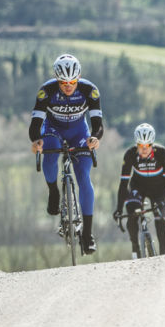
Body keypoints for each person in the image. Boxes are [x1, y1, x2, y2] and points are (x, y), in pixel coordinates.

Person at [29, 53, 103, 254]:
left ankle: (87, 234)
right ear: (57, 79)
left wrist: (95, 138)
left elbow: (97, 125)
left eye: (72, 82)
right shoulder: (46, 91)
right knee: (50, 154)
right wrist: (36, 141)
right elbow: (35, 125)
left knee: (84, 176)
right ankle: (53, 191)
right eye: (63, 83)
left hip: (79, 133)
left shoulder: (90, 91)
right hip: (53, 130)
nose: (68, 86)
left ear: (79, 77)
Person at [112, 123, 165, 256]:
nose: (144, 149)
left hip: (159, 190)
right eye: (141, 145)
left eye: (148, 145)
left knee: (162, 229)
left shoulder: (163, 154)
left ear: (152, 143)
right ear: (136, 144)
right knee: (132, 214)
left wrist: (161, 200)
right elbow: (123, 184)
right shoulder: (130, 154)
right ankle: (135, 248)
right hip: (138, 187)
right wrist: (119, 208)